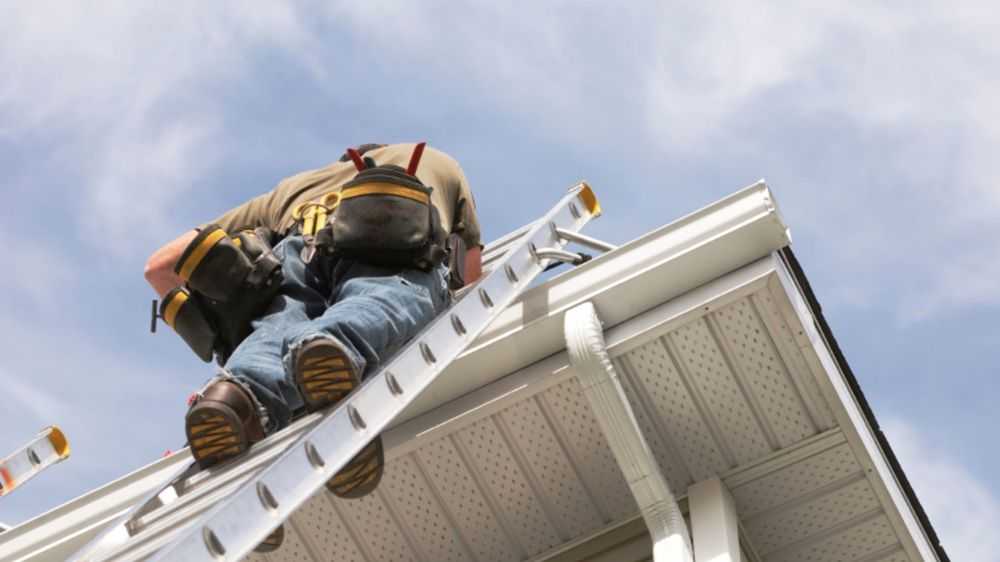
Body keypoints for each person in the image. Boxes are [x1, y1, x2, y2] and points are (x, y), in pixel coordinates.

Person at [145, 143, 482, 502]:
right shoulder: (435, 161)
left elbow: (160, 265)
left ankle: (232, 397)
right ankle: (333, 347)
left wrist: (212, 327)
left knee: (275, 330)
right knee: (383, 297)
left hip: (296, 250)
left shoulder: (291, 188)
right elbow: (473, 282)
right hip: (393, 232)